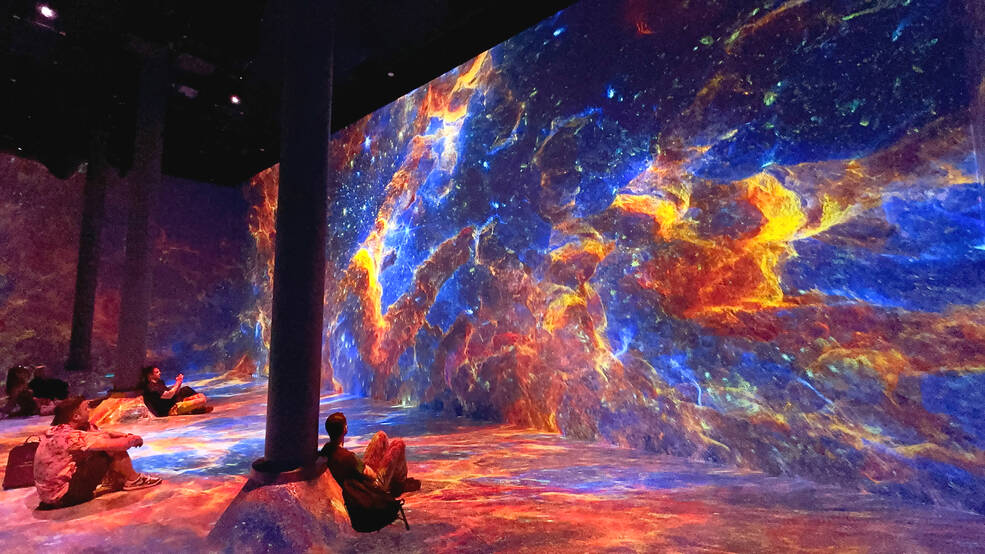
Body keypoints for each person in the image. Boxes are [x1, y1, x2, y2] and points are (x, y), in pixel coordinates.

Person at [33, 396, 162, 509]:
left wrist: (123, 435)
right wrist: (133, 440)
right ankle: (134, 480)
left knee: (101, 441)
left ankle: (115, 479)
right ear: (76, 416)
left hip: (49, 498)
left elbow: (100, 433)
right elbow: (118, 445)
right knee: (108, 448)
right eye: (85, 409)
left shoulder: (56, 431)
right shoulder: (71, 436)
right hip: (65, 497)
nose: (89, 411)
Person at [319, 412, 420, 497]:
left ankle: (396, 481)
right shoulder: (349, 457)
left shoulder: (326, 449)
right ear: (345, 429)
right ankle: (399, 484)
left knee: (381, 436)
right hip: (372, 488)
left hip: (361, 478)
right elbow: (371, 476)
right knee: (398, 444)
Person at [138, 365, 211, 417]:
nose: (160, 373)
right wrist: (178, 383)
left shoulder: (160, 382)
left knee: (200, 395)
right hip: (172, 409)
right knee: (202, 400)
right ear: (150, 375)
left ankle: (194, 409)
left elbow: (174, 393)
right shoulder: (151, 387)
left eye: (159, 371)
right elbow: (169, 395)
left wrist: (179, 382)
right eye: (157, 372)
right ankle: (193, 409)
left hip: (177, 402)